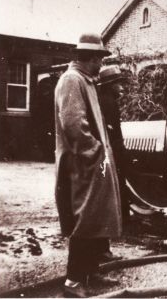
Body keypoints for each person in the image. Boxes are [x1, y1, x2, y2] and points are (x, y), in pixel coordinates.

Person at [54, 33, 122, 297]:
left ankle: (91, 272)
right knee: (85, 220)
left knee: (97, 217)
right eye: (99, 58)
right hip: (83, 163)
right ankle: (73, 281)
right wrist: (94, 151)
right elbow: (73, 122)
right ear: (90, 58)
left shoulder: (85, 80)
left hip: (94, 163)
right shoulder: (72, 80)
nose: (100, 64)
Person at [97, 65, 130, 233]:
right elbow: (112, 131)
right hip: (112, 149)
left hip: (112, 148)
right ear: (110, 85)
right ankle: (122, 221)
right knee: (117, 183)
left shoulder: (105, 100)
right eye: (118, 84)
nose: (122, 88)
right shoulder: (107, 102)